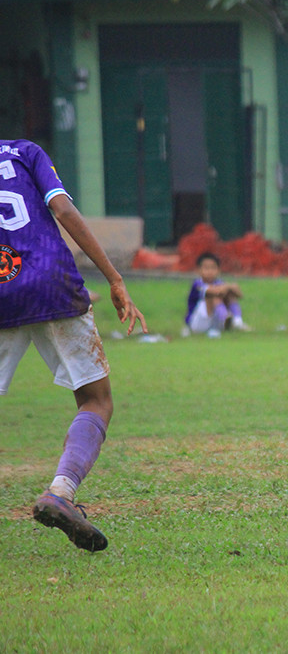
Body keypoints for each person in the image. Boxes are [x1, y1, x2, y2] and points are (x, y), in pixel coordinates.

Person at [0, 138, 147, 552]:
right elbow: (61, 209)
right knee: (96, 400)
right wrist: (114, 278)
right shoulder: (23, 151)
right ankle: (60, 492)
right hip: (51, 279)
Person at [184, 252, 250, 337]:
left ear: (218, 270)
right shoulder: (197, 284)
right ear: (198, 270)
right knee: (214, 297)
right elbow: (215, 291)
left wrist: (230, 288)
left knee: (230, 295)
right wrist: (229, 286)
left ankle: (237, 322)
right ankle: (225, 318)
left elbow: (239, 294)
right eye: (206, 268)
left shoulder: (219, 282)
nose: (210, 271)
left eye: (213, 268)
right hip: (198, 322)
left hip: (213, 320)